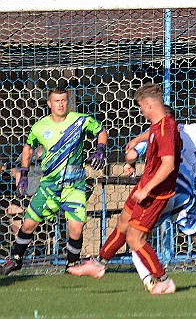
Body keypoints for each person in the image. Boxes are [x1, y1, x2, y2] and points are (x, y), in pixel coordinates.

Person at [69, 106, 196, 292]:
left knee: (137, 236)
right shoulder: (193, 130)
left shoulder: (154, 133)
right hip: (183, 196)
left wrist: (130, 164)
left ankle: (149, 280)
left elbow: (131, 153)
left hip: (159, 193)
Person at [69, 83, 182, 295]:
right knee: (122, 221)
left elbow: (168, 165)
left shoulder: (166, 130)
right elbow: (153, 132)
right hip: (145, 186)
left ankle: (164, 280)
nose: (141, 111)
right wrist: (139, 139)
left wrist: (146, 189)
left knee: (134, 239)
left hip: (155, 193)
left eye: (141, 107)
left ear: (149, 106)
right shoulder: (162, 123)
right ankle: (99, 264)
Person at [0, 87, 107, 275]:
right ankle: (16, 259)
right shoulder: (40, 127)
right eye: (56, 101)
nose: (60, 104)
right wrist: (23, 173)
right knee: (29, 223)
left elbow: (101, 130)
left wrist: (100, 149)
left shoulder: (80, 120)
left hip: (74, 185)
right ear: (49, 103)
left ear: (68, 102)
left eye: (64, 100)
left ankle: (71, 265)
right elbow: (28, 147)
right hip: (49, 185)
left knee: (76, 227)